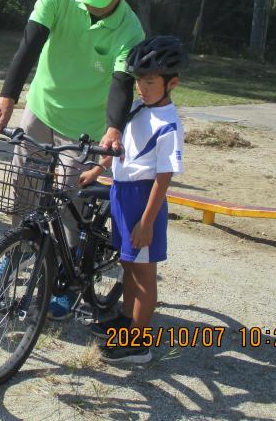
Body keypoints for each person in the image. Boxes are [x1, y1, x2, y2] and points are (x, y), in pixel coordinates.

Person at [0, 0, 145, 321]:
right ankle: (19, 249)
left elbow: (121, 83)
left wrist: (113, 129)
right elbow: (30, 43)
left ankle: (64, 275)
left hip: (86, 126)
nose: (90, 4)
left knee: (68, 196)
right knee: (23, 181)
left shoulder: (131, 30)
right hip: (42, 107)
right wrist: (8, 95)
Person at [79, 36, 187, 364]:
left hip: (143, 199)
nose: (142, 87)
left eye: (150, 81)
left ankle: (139, 344)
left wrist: (147, 222)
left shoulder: (169, 124)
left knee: (143, 273)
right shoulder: (139, 108)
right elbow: (121, 147)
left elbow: (164, 177)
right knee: (128, 263)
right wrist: (98, 168)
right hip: (122, 193)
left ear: (171, 83)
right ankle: (126, 320)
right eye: (139, 80)